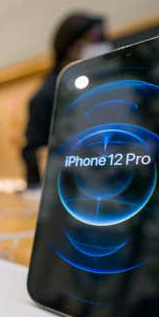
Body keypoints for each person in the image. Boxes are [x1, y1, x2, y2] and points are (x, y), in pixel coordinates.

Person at [22, 13, 109, 188]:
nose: (102, 46)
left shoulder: (103, 86)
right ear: (72, 47)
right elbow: (33, 151)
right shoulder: (47, 95)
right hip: (64, 187)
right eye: (95, 40)